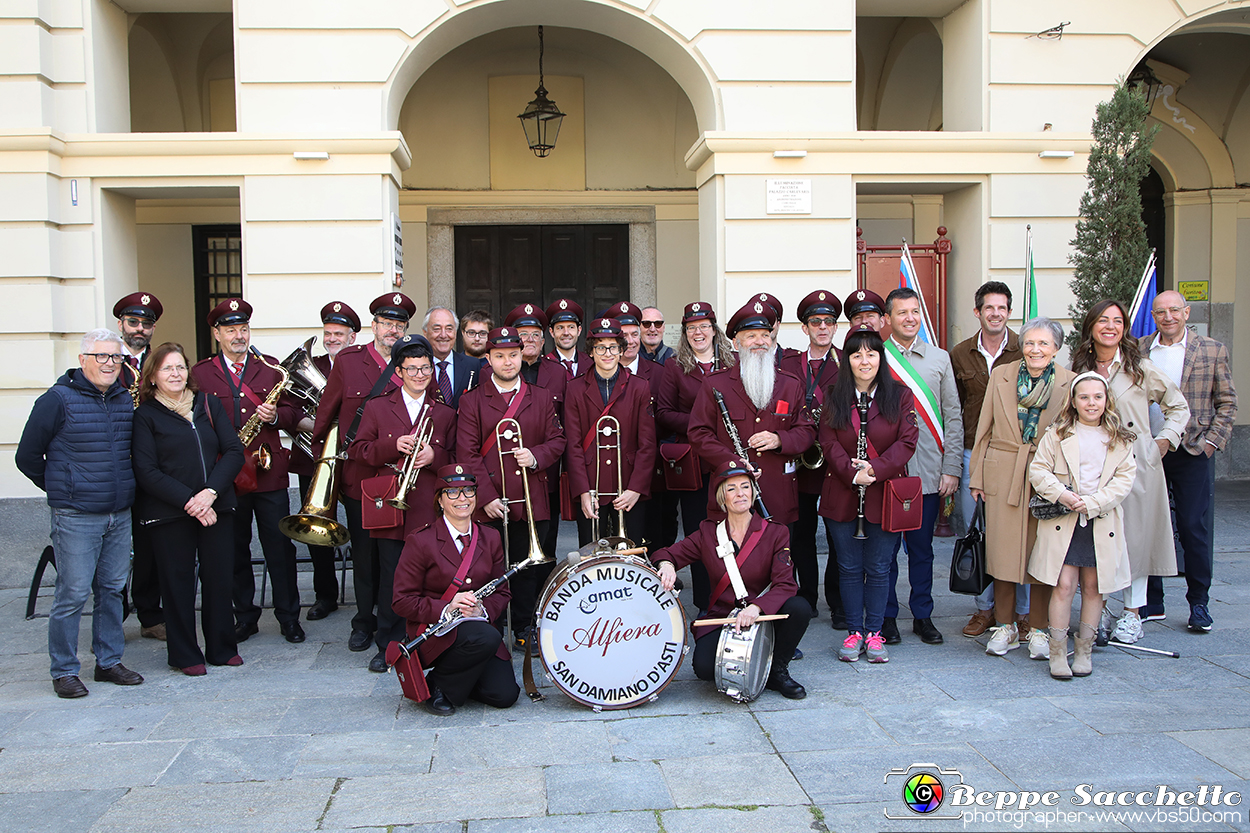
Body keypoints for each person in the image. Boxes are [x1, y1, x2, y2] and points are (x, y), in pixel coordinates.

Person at [16, 328, 145, 698]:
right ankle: (64, 670)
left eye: (115, 358)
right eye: (101, 357)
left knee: (112, 590)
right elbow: (26, 456)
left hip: (119, 514)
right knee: (72, 594)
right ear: (82, 360)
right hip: (75, 516)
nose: (109, 364)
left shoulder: (123, 399)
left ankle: (108, 661)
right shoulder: (57, 399)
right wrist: (63, 488)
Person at [1071, 299, 1189, 644]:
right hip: (1092, 466)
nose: (1111, 326)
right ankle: (1101, 609)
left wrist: (1163, 440)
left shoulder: (1140, 366)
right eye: (1103, 320)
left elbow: (1177, 406)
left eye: (1118, 321)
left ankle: (1133, 613)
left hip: (1136, 465)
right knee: (1100, 540)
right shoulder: (1079, 366)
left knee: (1134, 540)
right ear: (1091, 326)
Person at [191, 298, 305, 645]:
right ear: (217, 334)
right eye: (231, 330)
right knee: (235, 547)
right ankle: (245, 615)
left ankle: (289, 617)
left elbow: (293, 411)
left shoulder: (269, 368)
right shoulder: (201, 373)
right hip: (228, 474)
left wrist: (277, 417)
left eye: (243, 329)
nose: (238, 336)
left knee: (279, 547)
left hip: (268, 471)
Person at [652, 458, 811, 699]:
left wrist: (757, 607)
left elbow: (786, 584)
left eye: (745, 487)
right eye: (731, 489)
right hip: (724, 616)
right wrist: (667, 565)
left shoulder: (776, 532)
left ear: (754, 492)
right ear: (722, 498)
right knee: (704, 669)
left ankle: (777, 669)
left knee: (799, 607)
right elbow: (666, 553)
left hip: (764, 613)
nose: (740, 494)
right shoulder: (708, 532)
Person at [132, 342, 245, 676]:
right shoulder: (145, 415)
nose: (176, 374)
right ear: (152, 376)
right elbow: (147, 470)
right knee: (177, 583)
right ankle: (184, 654)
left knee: (219, 579)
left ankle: (222, 648)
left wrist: (210, 494)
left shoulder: (208, 404)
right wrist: (191, 502)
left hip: (215, 506)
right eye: (167, 368)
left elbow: (233, 451)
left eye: (180, 367)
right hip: (170, 511)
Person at [313, 292, 415, 652]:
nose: (392, 330)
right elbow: (328, 413)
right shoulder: (349, 361)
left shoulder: (413, 362)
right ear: (373, 326)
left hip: (402, 478)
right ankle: (363, 621)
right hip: (360, 476)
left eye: (399, 325)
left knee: (394, 555)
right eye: (386, 323)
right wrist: (323, 470)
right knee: (363, 554)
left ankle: (393, 619)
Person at [969, 317, 1076, 658]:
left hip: (1048, 476)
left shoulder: (1069, 382)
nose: (1035, 349)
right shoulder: (1002, 374)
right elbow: (983, 426)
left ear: (1056, 348)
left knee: (1043, 553)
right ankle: (1005, 626)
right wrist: (978, 476)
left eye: (1044, 343)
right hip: (1003, 470)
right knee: (1002, 552)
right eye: (1030, 342)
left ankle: (1040, 628)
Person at [455, 326, 566, 645]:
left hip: (532, 498)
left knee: (527, 569)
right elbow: (467, 452)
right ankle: (486, 621)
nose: (508, 362)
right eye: (500, 356)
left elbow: (557, 440)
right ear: (488, 359)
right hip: (491, 500)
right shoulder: (472, 401)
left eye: (513, 355)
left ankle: (523, 626)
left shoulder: (541, 397)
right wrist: (485, 498)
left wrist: (535, 456)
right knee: (488, 568)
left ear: (522, 356)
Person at [352, 334, 456, 673]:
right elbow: (359, 451)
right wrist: (394, 445)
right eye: (412, 369)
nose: (420, 375)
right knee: (392, 578)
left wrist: (434, 455)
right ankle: (389, 644)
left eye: (425, 368)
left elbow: (455, 457)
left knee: (427, 578)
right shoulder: (379, 406)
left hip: (427, 506)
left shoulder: (443, 411)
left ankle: (427, 640)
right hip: (390, 508)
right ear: (399, 371)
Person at [818, 325, 918, 663]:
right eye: (857, 354)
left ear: (880, 357)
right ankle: (853, 633)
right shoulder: (833, 394)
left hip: (884, 493)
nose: (864, 360)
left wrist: (874, 470)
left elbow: (907, 442)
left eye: (871, 353)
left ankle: (874, 632)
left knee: (878, 567)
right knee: (847, 566)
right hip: (843, 492)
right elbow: (828, 441)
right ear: (847, 359)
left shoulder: (900, 395)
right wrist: (852, 472)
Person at [1028, 372, 1136, 679]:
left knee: (1094, 587)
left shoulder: (1119, 438)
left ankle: (1085, 650)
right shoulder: (1058, 433)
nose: (1091, 403)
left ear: (1106, 401)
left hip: (1100, 520)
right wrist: (1062, 494)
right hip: (1066, 518)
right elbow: (1038, 470)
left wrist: (1094, 502)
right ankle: (1058, 650)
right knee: (1064, 585)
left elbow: (1124, 481)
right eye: (1084, 397)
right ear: (1073, 402)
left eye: (1097, 397)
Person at [1141, 291, 1237, 632]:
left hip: (1193, 450)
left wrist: (1212, 443)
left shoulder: (1212, 349)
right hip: (1150, 450)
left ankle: (1199, 602)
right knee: (1150, 526)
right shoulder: (1139, 349)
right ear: (1153, 315)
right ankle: (1151, 601)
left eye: (1174, 311)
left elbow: (1227, 402)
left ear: (1186, 312)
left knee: (1194, 528)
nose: (1167, 317)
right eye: (1160, 312)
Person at [392, 465, 520, 715]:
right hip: (437, 631)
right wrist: (447, 606)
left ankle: (461, 681)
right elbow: (401, 601)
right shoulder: (421, 541)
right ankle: (438, 685)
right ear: (439, 500)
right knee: (487, 637)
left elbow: (502, 592)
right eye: (452, 493)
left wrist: (482, 609)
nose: (462, 498)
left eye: (468, 491)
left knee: (505, 695)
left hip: (478, 627)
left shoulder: (490, 537)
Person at [881, 287, 963, 646]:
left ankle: (923, 615)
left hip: (929, 473)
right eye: (902, 313)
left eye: (915, 311)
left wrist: (952, 468)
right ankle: (886, 617)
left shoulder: (940, 358)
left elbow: (953, 416)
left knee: (922, 550)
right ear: (888, 319)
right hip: (888, 474)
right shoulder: (875, 358)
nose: (910, 318)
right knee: (885, 553)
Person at [689, 299, 816, 529]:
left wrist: (779, 439)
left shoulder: (790, 384)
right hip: (730, 492)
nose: (760, 342)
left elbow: (806, 431)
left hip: (778, 496)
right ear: (736, 343)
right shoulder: (715, 384)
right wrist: (732, 462)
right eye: (751, 336)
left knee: (780, 562)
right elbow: (698, 434)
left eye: (765, 335)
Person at [950, 282, 1026, 638]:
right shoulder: (960, 354)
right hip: (972, 451)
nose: (996, 314)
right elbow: (955, 405)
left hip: (1013, 453)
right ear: (977, 312)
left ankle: (1022, 612)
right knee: (976, 530)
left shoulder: (1025, 350)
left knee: (1017, 534)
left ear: (1009, 312)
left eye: (1002, 308)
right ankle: (984, 609)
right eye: (989, 308)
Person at [656, 301, 735, 608]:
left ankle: (733, 596)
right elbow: (663, 412)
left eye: (704, 326)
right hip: (693, 465)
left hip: (727, 461)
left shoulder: (733, 363)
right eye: (691, 328)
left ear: (714, 330)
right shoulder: (675, 367)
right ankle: (706, 601)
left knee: (731, 531)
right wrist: (700, 423)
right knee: (699, 531)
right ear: (685, 333)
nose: (698, 333)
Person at [288, 300, 359, 622]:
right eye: (328, 333)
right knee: (316, 528)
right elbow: (289, 411)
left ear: (352, 337)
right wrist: (322, 425)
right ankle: (324, 595)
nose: (332, 339)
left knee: (362, 531)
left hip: (356, 459)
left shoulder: (362, 364)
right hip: (314, 459)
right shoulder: (311, 364)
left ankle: (366, 593)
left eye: (339, 334)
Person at [564, 317, 656, 545]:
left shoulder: (639, 387)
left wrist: (636, 489)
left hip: (627, 485)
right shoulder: (574, 389)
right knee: (591, 553)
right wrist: (582, 491)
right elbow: (573, 445)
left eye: (613, 347)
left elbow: (647, 444)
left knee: (629, 554)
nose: (607, 353)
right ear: (591, 352)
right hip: (591, 486)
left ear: (621, 350)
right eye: (600, 347)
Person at [780, 290, 842, 621]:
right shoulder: (790, 363)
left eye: (828, 322)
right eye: (815, 322)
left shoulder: (846, 362)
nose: (822, 327)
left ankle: (837, 600)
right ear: (805, 328)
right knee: (801, 534)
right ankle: (807, 595)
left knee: (836, 535)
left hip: (832, 464)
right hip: (800, 463)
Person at [113, 292, 166, 642]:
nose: (140, 329)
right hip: (114, 466)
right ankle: (111, 617)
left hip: (149, 467)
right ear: (121, 324)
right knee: (113, 548)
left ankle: (149, 614)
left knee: (148, 545)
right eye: (134, 323)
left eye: (146, 324)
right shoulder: (107, 360)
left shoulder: (159, 364)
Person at [506, 303, 569, 567]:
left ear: (544, 340)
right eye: (523, 334)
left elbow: (565, 425)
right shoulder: (500, 369)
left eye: (535, 335)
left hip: (546, 473)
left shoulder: (558, 373)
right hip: (507, 472)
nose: (529, 340)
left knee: (547, 541)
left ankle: (543, 603)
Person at [425, 306, 479, 409]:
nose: (443, 335)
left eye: (449, 329)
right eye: (437, 329)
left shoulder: (472, 365)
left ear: (455, 332)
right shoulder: (417, 368)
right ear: (425, 333)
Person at [545, 299, 591, 379]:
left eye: (571, 327)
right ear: (552, 332)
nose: (566, 333)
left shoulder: (591, 363)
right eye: (560, 328)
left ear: (579, 330)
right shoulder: (543, 366)